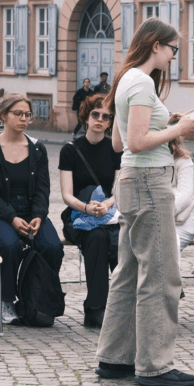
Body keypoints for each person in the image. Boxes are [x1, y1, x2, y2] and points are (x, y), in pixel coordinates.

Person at [95, 17, 194, 386]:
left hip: (130, 180)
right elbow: (138, 142)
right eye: (173, 49)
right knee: (160, 275)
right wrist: (178, 129)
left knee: (127, 273)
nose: (174, 56)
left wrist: (165, 124)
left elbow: (118, 143)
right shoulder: (141, 82)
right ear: (156, 45)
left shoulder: (126, 79)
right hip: (148, 181)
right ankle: (155, 365)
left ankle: (114, 358)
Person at [0, 94, 64, 324]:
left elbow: (43, 189)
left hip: (30, 212)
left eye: (27, 115)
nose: (24, 119)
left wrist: (38, 216)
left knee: (53, 247)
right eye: (18, 114)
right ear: (4, 115)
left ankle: (37, 299)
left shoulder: (37, 149)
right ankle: (6, 300)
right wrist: (12, 218)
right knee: (9, 245)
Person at [59, 94, 121, 329]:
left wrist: (107, 205)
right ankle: (95, 309)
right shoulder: (70, 150)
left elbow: (118, 190)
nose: (100, 120)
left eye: (106, 117)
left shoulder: (115, 149)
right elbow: (66, 194)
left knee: (117, 239)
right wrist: (86, 207)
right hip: (78, 215)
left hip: (109, 213)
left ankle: (121, 307)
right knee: (96, 238)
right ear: (86, 117)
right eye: (95, 114)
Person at [170, 137, 194, 252]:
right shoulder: (141, 161)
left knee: (168, 249)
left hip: (181, 221)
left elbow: (184, 196)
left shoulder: (182, 161)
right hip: (149, 220)